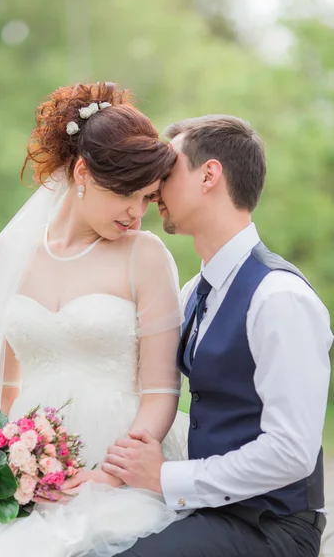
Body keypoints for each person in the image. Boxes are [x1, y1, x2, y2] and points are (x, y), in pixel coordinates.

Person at [0, 82, 190, 556]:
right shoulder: (11, 253)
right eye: (126, 194)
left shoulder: (145, 256)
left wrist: (109, 475)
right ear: (84, 171)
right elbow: (1, 392)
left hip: (116, 457)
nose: (136, 213)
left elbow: (160, 394)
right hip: (28, 468)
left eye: (148, 198)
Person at [103, 115, 333, 557]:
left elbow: (292, 452)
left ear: (209, 175)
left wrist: (166, 478)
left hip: (271, 528)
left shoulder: (278, 297)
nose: (153, 189)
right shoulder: (194, 292)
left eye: (167, 172)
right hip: (211, 512)